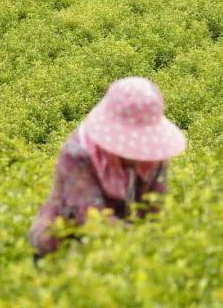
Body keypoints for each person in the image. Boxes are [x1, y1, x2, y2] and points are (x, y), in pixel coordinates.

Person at [29, 77, 187, 259]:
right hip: (65, 245)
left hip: (127, 244)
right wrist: (142, 242)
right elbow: (90, 218)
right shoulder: (78, 155)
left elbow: (154, 208)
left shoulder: (154, 155)